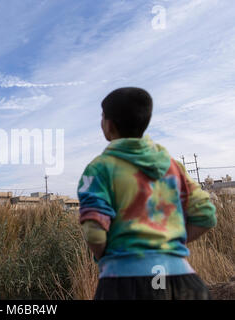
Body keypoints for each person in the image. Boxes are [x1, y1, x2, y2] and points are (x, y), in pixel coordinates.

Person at [77, 87, 217, 300]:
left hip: (125, 282)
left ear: (109, 124)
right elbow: (206, 215)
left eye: (102, 116)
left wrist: (115, 258)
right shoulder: (173, 167)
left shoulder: (100, 169)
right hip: (184, 281)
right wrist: (165, 246)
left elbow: (94, 232)